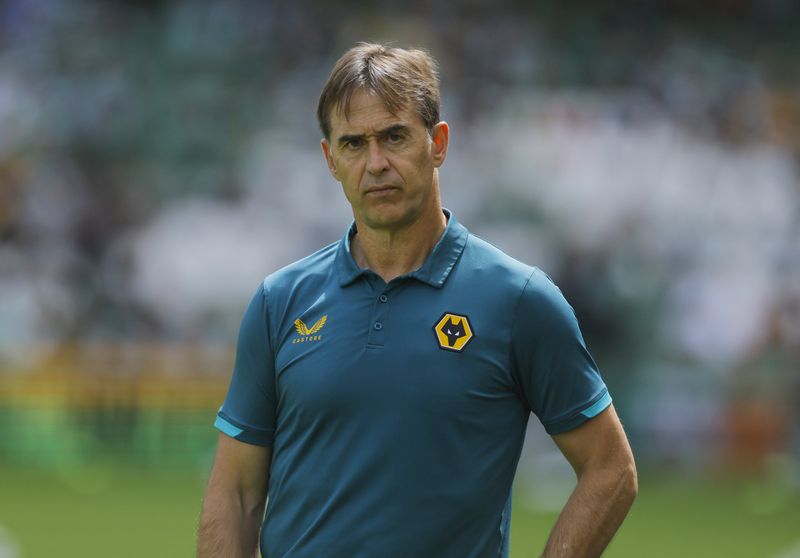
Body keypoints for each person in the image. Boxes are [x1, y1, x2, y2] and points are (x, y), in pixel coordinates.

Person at [197, 43, 637, 558]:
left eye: (394, 136)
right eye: (354, 144)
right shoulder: (280, 300)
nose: (376, 163)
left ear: (438, 143)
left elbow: (611, 469)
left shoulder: (518, 300)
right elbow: (237, 491)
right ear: (330, 159)